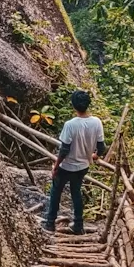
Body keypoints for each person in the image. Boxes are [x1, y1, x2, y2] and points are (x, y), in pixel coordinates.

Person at [42, 90, 105, 235]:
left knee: (56, 191)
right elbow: (101, 147)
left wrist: (56, 166)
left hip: (67, 166)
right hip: (83, 166)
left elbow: (64, 149)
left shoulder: (70, 125)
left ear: (73, 105)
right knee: (76, 192)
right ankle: (78, 225)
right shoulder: (96, 122)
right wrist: (94, 156)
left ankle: (50, 223)